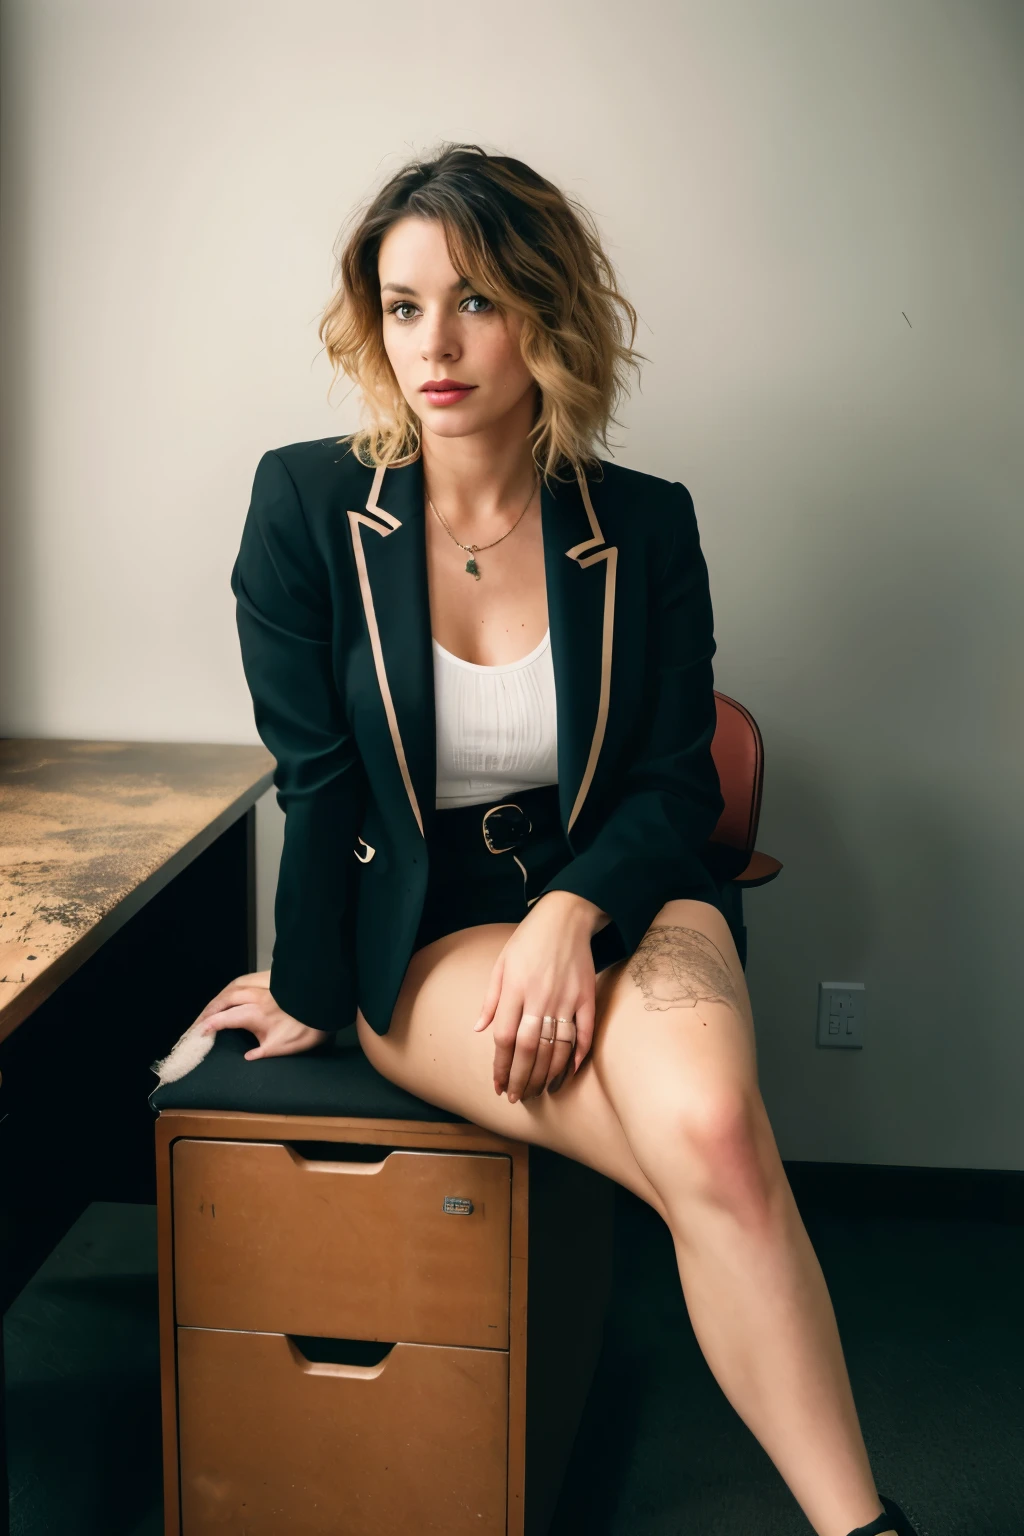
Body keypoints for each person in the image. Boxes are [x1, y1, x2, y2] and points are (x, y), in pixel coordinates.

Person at [197, 143, 920, 1536]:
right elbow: (318, 780)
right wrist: (306, 985)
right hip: (424, 927)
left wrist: (572, 911)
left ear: (547, 313)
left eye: (475, 300)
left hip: (632, 892)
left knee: (710, 1131)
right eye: (403, 307)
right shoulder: (303, 508)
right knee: (717, 1170)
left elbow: (668, 784)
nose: (436, 344)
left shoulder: (642, 525)